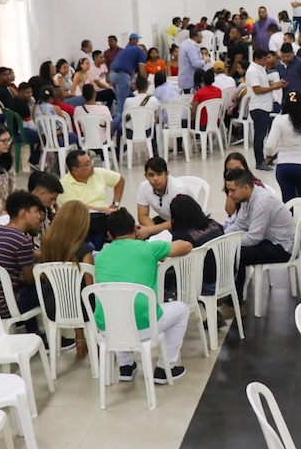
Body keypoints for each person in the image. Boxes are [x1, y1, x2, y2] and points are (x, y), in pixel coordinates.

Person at [94, 208, 192, 383]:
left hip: (107, 329)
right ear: (135, 227)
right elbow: (186, 246)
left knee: (116, 308)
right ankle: (165, 368)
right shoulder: (149, 248)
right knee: (182, 310)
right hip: (144, 326)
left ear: (109, 234)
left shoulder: (100, 257)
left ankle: (126, 366)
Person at [223, 168, 296, 302]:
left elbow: (253, 238)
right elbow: (240, 224)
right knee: (233, 251)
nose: (230, 195)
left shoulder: (262, 201)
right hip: (269, 240)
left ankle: (234, 301)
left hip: (282, 247)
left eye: (233, 190)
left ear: (246, 187)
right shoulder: (247, 198)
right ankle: (230, 296)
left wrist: (228, 243)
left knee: (237, 254)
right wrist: (222, 237)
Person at [263, 91, 301, 258]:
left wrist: (268, 156)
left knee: (288, 203)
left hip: (284, 166)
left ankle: (289, 240)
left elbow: (269, 145)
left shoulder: (279, 121)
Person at [0, 191, 46, 332]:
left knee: (25, 290)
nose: (40, 216)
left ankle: (34, 333)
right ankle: (47, 336)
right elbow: (30, 279)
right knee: (49, 288)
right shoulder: (22, 241)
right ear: (23, 214)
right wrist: (47, 274)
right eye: (36, 212)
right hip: (5, 306)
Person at [37, 200, 94, 349]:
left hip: (53, 306)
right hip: (82, 309)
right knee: (86, 294)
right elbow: (90, 287)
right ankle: (96, 344)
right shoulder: (83, 249)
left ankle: (79, 339)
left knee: (71, 291)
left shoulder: (47, 243)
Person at [59, 149, 126, 250]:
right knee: (95, 222)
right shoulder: (64, 185)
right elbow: (77, 207)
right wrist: (104, 210)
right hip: (80, 219)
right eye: (87, 164)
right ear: (75, 170)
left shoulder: (97, 173)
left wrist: (115, 204)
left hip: (103, 216)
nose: (92, 165)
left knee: (124, 218)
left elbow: (120, 180)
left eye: (91, 161)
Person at [245, 49, 286, 171]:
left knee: (263, 134)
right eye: (264, 59)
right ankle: (259, 162)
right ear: (257, 59)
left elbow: (263, 84)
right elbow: (257, 90)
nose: (266, 61)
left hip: (265, 106)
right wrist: (274, 87)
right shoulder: (253, 71)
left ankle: (264, 159)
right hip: (259, 107)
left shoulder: (260, 68)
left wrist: (274, 84)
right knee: (259, 136)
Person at [108, 33, 146, 116]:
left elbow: (130, 70)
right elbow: (142, 72)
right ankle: (119, 126)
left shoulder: (128, 50)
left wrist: (132, 81)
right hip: (122, 76)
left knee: (124, 98)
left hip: (112, 74)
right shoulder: (141, 53)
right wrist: (145, 85)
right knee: (122, 106)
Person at [178, 26, 210, 93]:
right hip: (189, 80)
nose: (202, 38)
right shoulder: (191, 47)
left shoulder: (184, 44)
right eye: (201, 36)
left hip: (184, 78)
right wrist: (205, 60)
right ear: (196, 37)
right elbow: (195, 64)